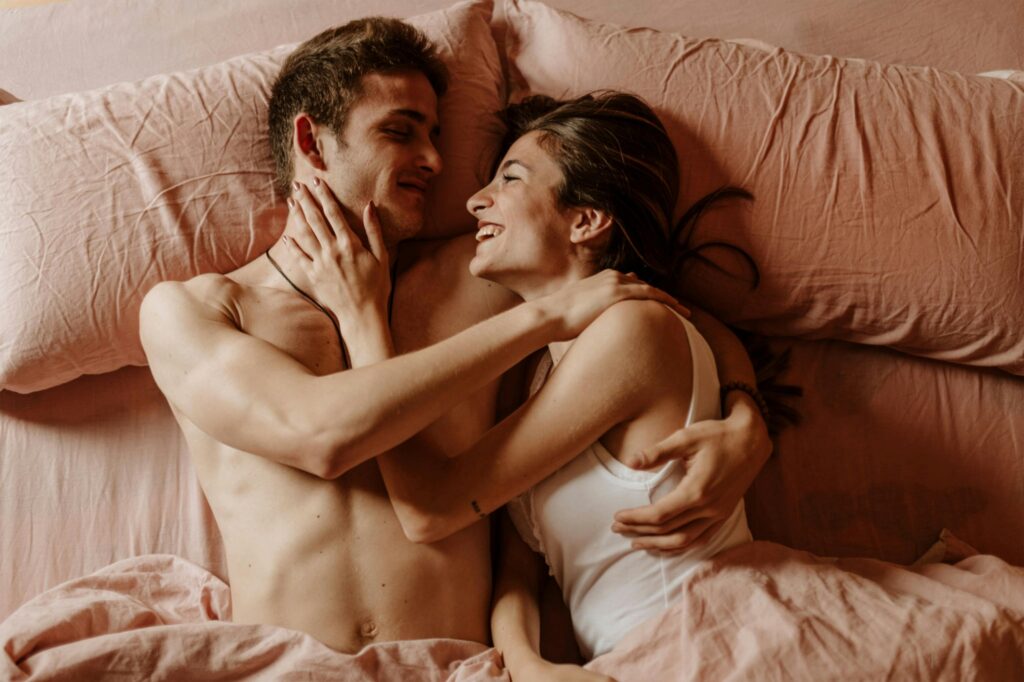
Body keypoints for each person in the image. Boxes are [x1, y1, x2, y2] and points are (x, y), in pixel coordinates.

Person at [139, 17, 770, 656]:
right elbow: (322, 436)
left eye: (436, 134)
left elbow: (646, 304)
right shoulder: (193, 312)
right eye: (399, 131)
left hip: (458, 670)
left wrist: (748, 417)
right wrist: (533, 321)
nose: (437, 162)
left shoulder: (480, 273)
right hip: (289, 669)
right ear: (313, 140)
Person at [284, 91, 762, 678]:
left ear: (585, 220)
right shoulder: (543, 369)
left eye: (509, 178)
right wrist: (529, 663)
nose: (474, 201)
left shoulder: (633, 329)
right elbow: (519, 567)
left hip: (713, 646)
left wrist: (365, 319)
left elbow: (429, 510)